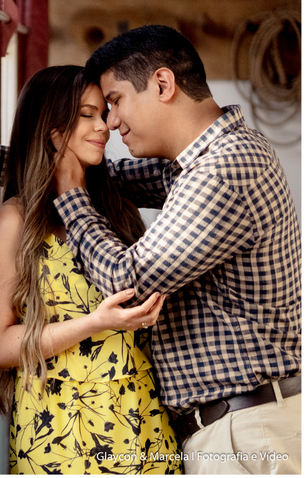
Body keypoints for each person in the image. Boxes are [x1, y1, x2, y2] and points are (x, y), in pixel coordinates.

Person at [50, 25, 301, 474]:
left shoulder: (224, 168)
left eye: (115, 101)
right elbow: (107, 180)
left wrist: (70, 194)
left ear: (163, 84)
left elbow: (126, 281)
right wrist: (4, 156)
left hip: (245, 435)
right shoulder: (198, 165)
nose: (110, 122)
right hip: (237, 430)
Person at [0, 65, 182, 474]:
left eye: (104, 113)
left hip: (141, 414)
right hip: (59, 426)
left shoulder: (114, 208)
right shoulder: (14, 223)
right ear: (52, 131)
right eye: (88, 115)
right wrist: (95, 323)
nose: (105, 127)